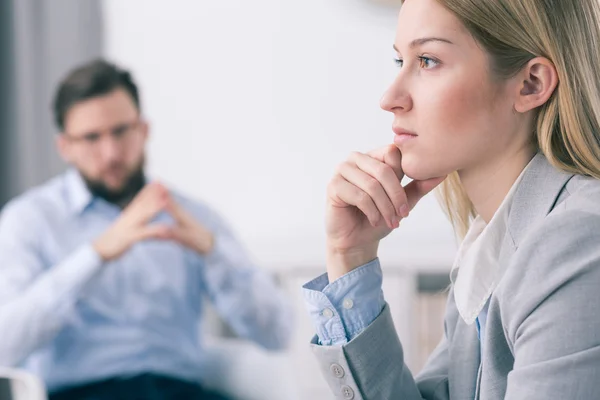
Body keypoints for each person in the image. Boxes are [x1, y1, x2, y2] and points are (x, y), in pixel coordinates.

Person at [303, 0, 600, 399]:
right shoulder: (488, 250)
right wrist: (348, 256)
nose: (390, 97)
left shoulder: (576, 243)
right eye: (399, 62)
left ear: (530, 84)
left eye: (427, 60)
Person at [0, 59, 292, 400]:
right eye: (91, 138)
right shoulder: (30, 219)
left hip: (181, 392)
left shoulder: (191, 216)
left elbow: (277, 334)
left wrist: (215, 254)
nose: (111, 153)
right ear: (65, 147)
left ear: (144, 130)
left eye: (121, 131)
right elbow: (5, 345)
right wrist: (94, 255)